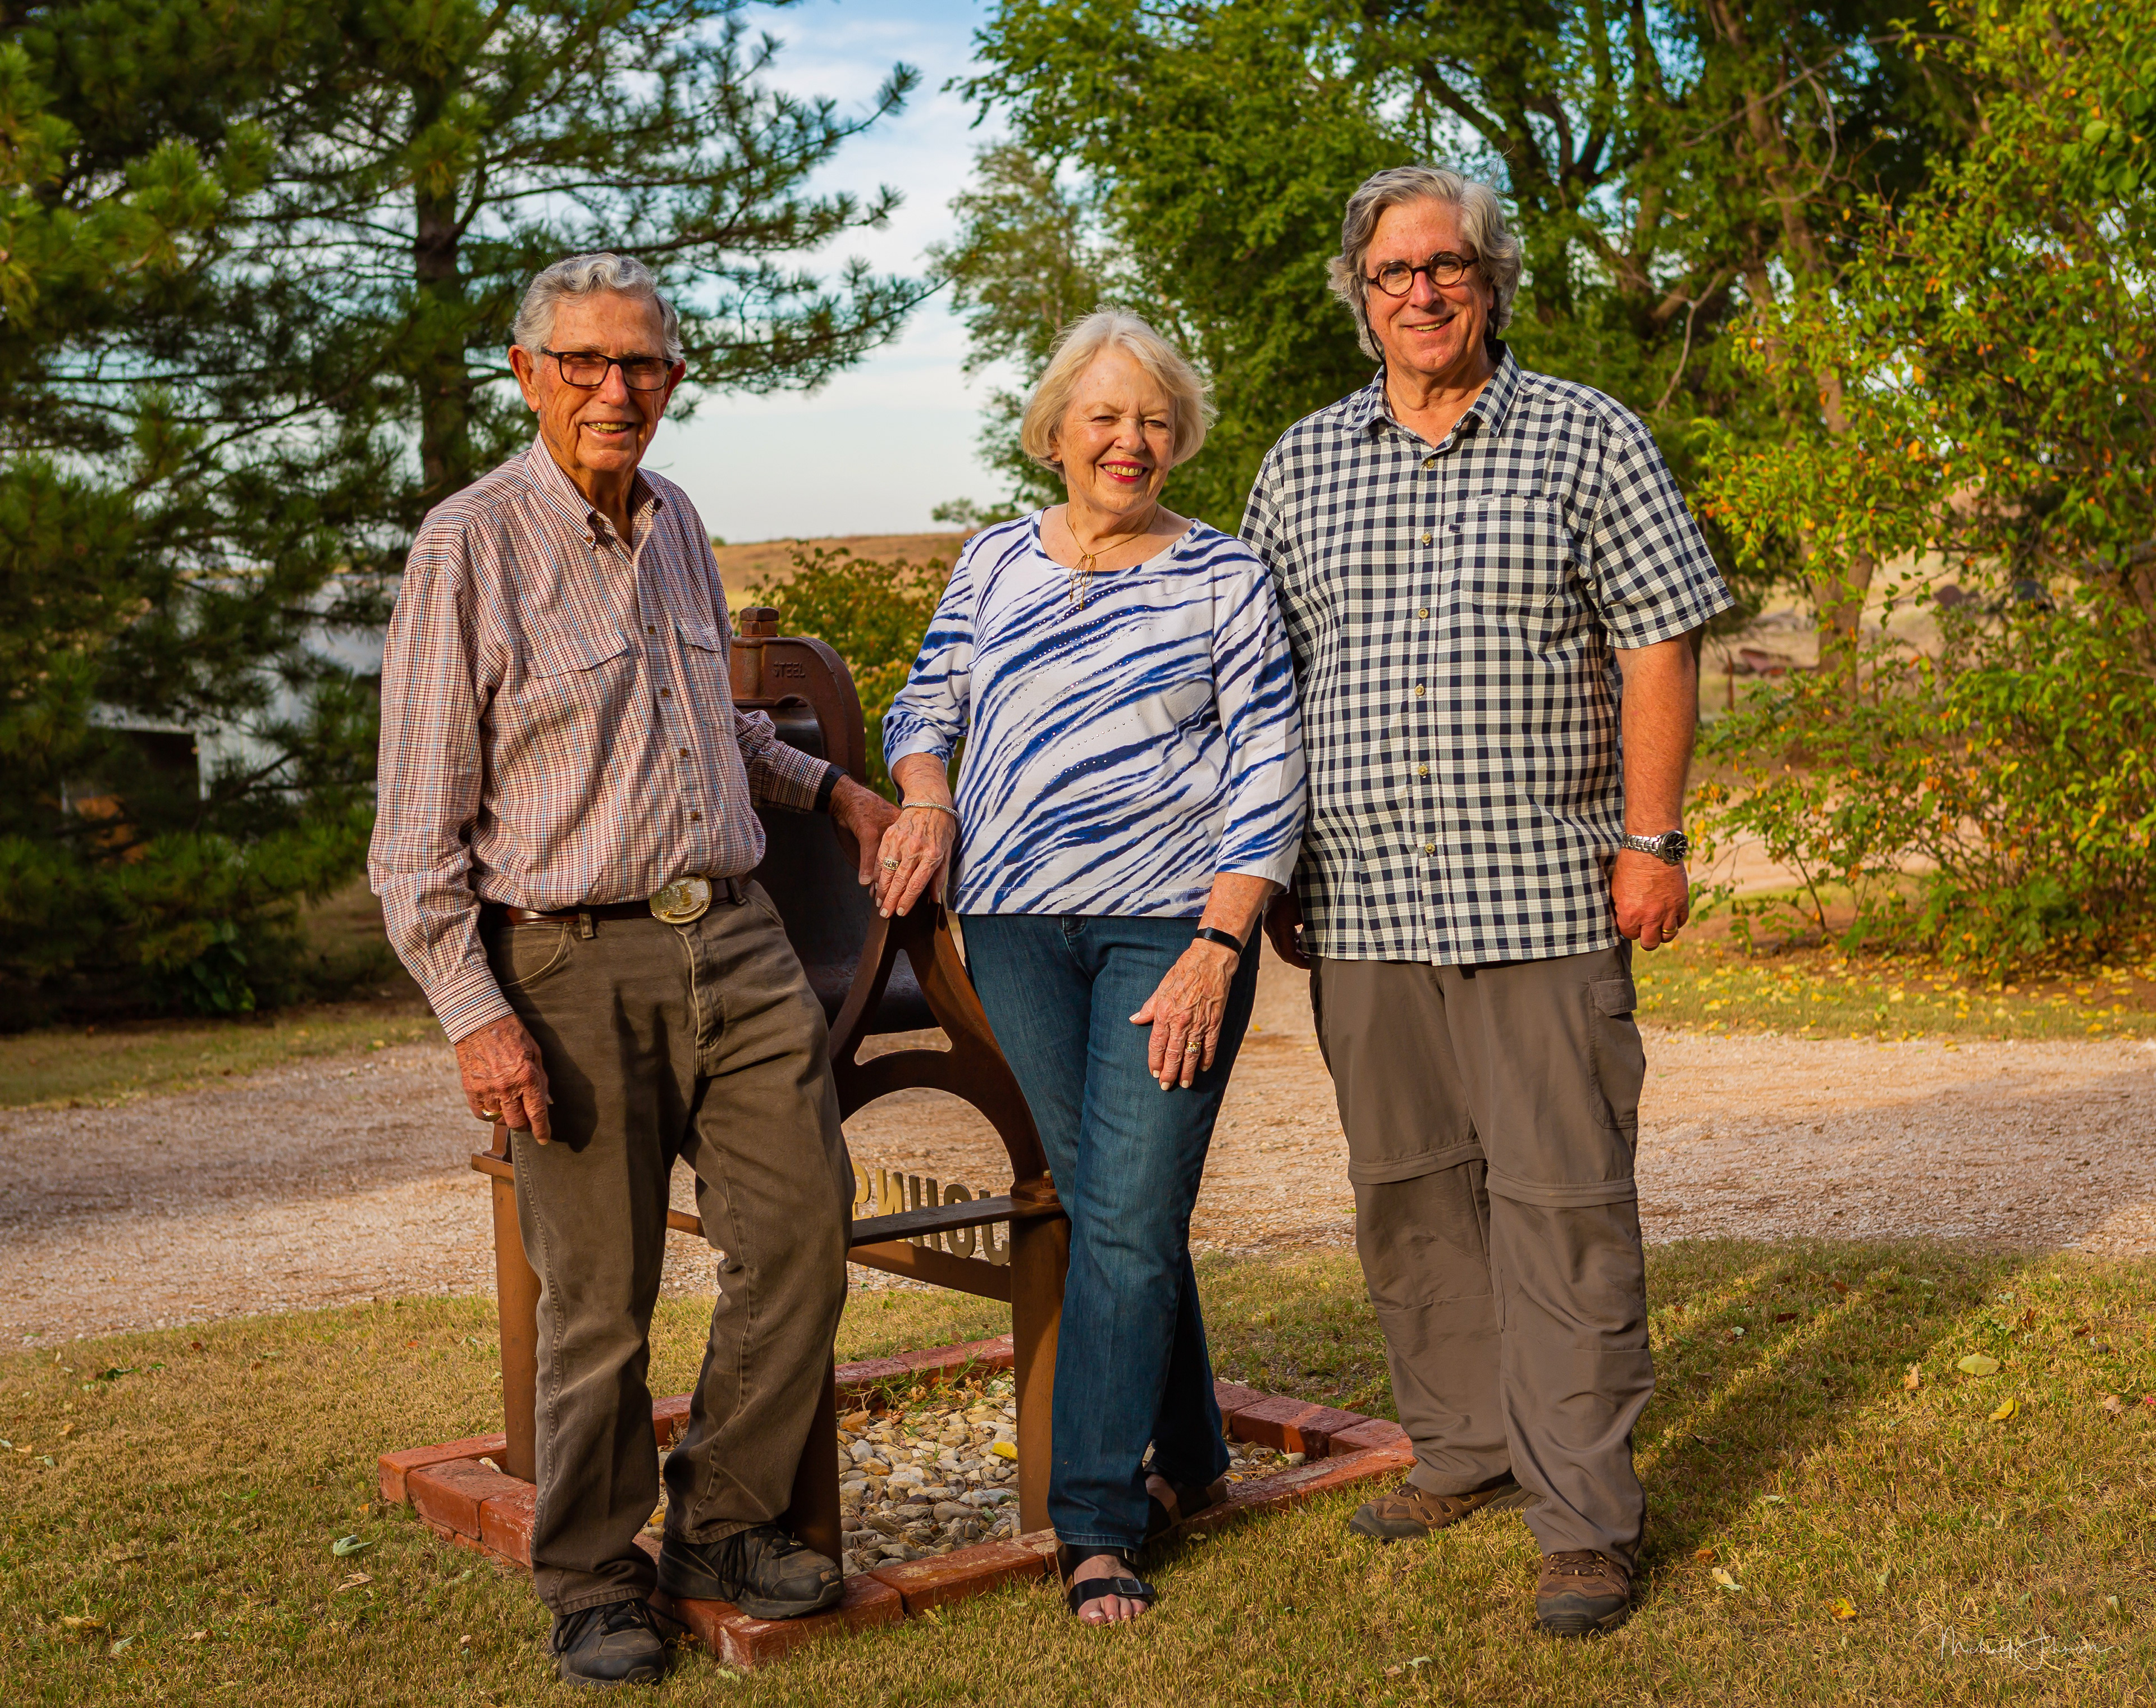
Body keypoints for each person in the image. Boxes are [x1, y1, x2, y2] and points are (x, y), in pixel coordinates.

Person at [368, 252, 898, 1687]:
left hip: (730, 933)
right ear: (530, 374)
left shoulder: (678, 525)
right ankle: (595, 1577)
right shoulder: (465, 547)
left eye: (645, 365)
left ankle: (723, 1524)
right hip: (567, 961)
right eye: (588, 364)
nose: (619, 390)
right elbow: (413, 838)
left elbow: (709, 737)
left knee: (799, 1232)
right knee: (600, 1301)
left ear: (674, 378)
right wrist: (479, 1016)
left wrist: (834, 792)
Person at [1243, 167, 1732, 1637]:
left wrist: (1656, 836)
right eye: (1394, 272)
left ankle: (1584, 1519)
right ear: (1358, 289)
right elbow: (1261, 683)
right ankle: (1463, 1445)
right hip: (1363, 910)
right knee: (1408, 1197)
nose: (1422, 293)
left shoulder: (1588, 435)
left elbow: (1659, 639)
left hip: (1546, 897)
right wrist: (1266, 864)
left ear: (1491, 278)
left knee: (1563, 1206)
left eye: (1447, 265)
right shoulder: (1301, 466)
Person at [875, 310, 1307, 1626]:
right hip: (1011, 930)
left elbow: (1270, 771)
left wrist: (1221, 946)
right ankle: (1197, 1457)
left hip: (1165, 931)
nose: (1132, 441)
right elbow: (924, 702)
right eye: (1106, 417)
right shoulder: (994, 560)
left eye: (1155, 420)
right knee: (1115, 1203)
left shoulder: (1226, 577)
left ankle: (1100, 1525)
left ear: (1179, 439)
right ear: (1056, 432)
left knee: (1122, 1214)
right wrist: (929, 801)